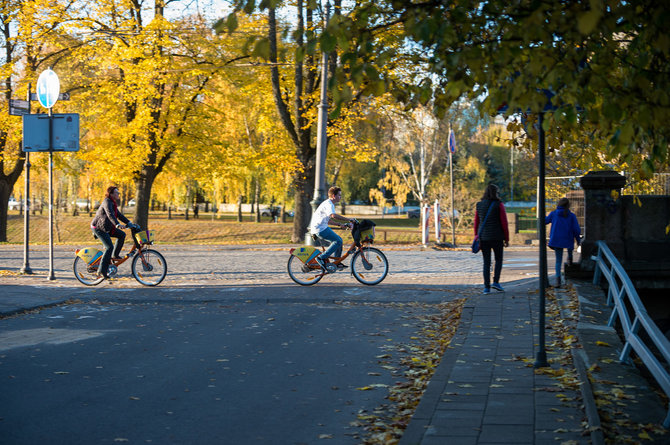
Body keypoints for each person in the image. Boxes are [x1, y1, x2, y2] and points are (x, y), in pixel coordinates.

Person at [474, 183, 509, 294]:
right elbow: (504, 223)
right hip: (497, 237)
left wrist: (476, 236)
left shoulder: (479, 205)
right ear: (496, 193)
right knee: (498, 259)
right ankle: (496, 282)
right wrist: (507, 238)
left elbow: (476, 223)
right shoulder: (499, 205)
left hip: (483, 238)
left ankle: (486, 287)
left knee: (486, 262)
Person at [91, 186, 133, 279]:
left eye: (118, 192)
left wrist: (129, 222)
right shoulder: (107, 202)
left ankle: (115, 255)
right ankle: (102, 270)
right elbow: (110, 214)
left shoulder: (113, 203)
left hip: (107, 227)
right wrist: (117, 224)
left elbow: (119, 215)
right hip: (99, 228)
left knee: (122, 235)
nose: (118, 194)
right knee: (109, 247)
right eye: (116, 192)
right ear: (111, 194)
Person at [309, 186, 354, 271]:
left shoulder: (328, 203)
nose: (340, 197)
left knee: (338, 240)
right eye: (339, 195)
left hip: (321, 227)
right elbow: (333, 216)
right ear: (334, 196)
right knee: (338, 241)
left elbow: (328, 220)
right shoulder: (329, 204)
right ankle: (321, 258)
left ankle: (337, 262)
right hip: (319, 229)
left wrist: (340, 224)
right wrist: (349, 219)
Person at [545, 197, 581, 287]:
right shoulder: (571, 216)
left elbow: (545, 221)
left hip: (556, 239)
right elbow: (576, 229)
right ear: (568, 206)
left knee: (558, 260)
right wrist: (578, 240)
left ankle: (558, 281)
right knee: (570, 249)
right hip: (568, 238)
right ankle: (570, 258)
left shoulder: (554, 214)